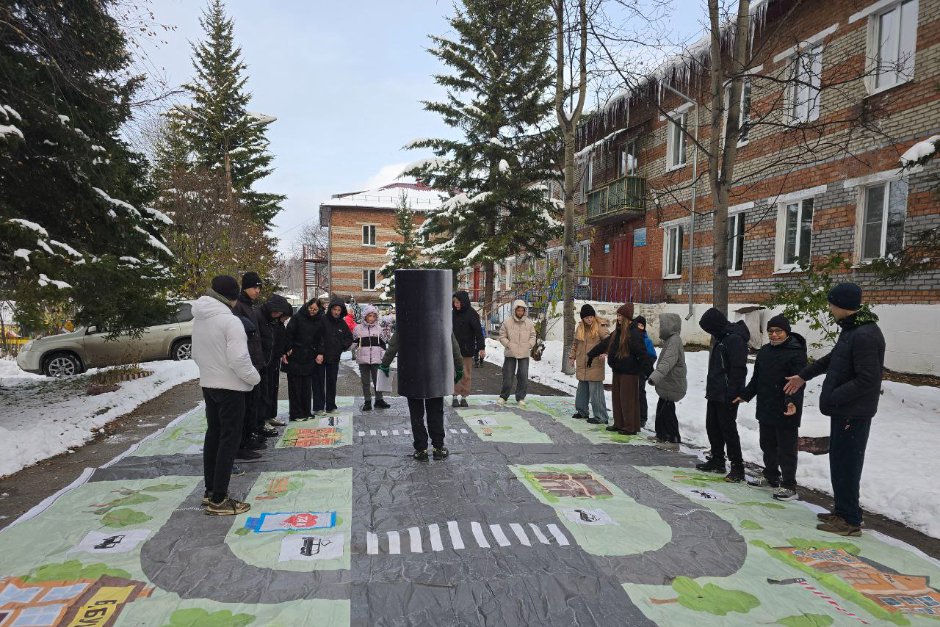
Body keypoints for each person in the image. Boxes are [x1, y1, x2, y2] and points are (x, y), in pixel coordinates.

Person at [784, 283, 885, 537]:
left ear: (842, 305)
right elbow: (833, 359)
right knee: (839, 462)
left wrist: (833, 397)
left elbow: (868, 379)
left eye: (831, 304)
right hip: (844, 411)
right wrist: (803, 376)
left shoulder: (865, 335)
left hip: (853, 412)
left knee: (848, 464)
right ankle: (842, 512)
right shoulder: (852, 330)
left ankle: (850, 521)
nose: (829, 308)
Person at [191, 275, 260, 516]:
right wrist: (254, 378)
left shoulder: (200, 319)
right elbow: (240, 359)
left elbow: (195, 353)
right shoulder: (230, 321)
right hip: (231, 388)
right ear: (232, 296)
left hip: (209, 384)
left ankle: (210, 490)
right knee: (229, 441)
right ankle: (219, 499)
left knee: (214, 436)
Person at [733, 314, 807, 500]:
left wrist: (791, 402)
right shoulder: (765, 351)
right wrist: (745, 395)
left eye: (778, 331)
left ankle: (789, 485)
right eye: (771, 331)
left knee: (786, 449)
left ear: (787, 332)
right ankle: (771, 476)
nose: (774, 335)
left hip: (786, 408)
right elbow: (757, 379)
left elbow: (798, 383)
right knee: (767, 445)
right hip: (766, 406)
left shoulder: (796, 352)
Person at [380, 331, 463, 461]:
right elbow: (454, 347)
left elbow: (393, 346)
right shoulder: (440, 321)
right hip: (435, 373)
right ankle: (438, 448)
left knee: (416, 414)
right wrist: (459, 367)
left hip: (412, 373)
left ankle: (421, 449)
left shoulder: (406, 322)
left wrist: (385, 364)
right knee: (435, 412)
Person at [696, 307, 751, 482]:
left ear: (716, 324)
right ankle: (717, 459)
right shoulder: (721, 338)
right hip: (715, 392)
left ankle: (737, 467)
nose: (709, 333)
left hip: (727, 393)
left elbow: (738, 369)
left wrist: (733, 393)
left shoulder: (734, 339)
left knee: (728, 430)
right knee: (712, 426)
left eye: (709, 328)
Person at [586, 303, 651, 435]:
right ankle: (619, 424)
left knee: (627, 401)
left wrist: (650, 372)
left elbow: (642, 353)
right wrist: (591, 354)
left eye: (621, 316)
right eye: (618, 315)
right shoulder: (618, 332)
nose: (618, 318)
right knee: (617, 400)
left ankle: (630, 427)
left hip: (629, 373)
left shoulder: (634, 333)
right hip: (618, 371)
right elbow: (604, 344)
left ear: (627, 317)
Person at [232, 272, 275, 460]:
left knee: (254, 403)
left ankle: (250, 436)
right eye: (254, 287)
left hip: (256, 362)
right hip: (247, 363)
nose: (257, 291)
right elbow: (243, 339)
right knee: (245, 406)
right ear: (245, 287)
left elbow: (256, 338)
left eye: (259, 287)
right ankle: (242, 442)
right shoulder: (238, 307)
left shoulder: (249, 306)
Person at [648, 313, 687, 445]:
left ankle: (673, 440)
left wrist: (655, 377)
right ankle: (661, 435)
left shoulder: (674, 341)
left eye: (662, 325)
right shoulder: (670, 340)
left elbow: (667, 362)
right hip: (667, 383)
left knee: (668, 412)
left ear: (669, 325)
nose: (660, 328)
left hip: (673, 384)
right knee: (661, 409)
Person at [568, 304, 610, 424]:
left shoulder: (600, 326)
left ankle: (601, 417)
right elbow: (575, 344)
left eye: (591, 317)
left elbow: (609, 341)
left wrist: (605, 353)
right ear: (583, 318)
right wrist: (572, 357)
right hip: (582, 363)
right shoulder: (580, 328)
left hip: (595, 363)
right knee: (582, 390)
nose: (590, 319)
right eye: (587, 318)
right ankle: (582, 412)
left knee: (596, 392)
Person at [283, 298, 322, 421]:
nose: (312, 311)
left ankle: (306, 411)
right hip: (295, 356)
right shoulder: (297, 317)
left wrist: (319, 352)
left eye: (315, 309)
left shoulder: (319, 320)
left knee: (306, 387)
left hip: (309, 356)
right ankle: (295, 413)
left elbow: (320, 338)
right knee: (295, 387)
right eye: (311, 308)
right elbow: (288, 333)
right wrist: (288, 347)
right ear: (307, 306)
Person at [315, 300, 354, 413]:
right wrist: (319, 352)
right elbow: (318, 337)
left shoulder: (342, 323)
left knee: (332, 382)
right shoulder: (322, 320)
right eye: (334, 309)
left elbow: (349, 337)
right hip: (321, 357)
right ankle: (318, 407)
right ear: (330, 309)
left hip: (334, 357)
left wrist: (342, 346)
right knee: (318, 382)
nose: (336, 312)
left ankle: (331, 406)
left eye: (339, 310)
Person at [260, 294, 293, 427]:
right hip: (267, 361)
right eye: (284, 316)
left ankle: (271, 415)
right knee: (266, 391)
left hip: (275, 361)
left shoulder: (279, 325)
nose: (285, 319)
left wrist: (285, 351)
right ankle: (264, 418)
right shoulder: (271, 323)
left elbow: (282, 341)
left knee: (273, 389)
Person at [497, 300, 536, 407]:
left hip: (524, 353)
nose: (520, 312)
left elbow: (533, 336)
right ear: (515, 310)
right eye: (518, 310)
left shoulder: (529, 323)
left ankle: (520, 397)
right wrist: (508, 344)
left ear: (525, 311)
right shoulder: (507, 322)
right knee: (508, 376)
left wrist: (529, 345)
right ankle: (503, 396)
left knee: (523, 375)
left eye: (522, 310)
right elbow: (502, 336)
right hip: (510, 352)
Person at [451, 290, 486, 407]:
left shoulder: (472, 314)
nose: (456, 304)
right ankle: (454, 395)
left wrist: (481, 348)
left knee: (466, 374)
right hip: (454, 349)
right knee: (455, 373)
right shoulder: (452, 314)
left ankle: (464, 396)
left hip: (467, 349)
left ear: (463, 302)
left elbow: (478, 332)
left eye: (457, 302)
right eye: (454, 302)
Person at [353, 305, 391, 411]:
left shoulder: (379, 329)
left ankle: (379, 400)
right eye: (370, 316)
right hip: (363, 359)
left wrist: (383, 356)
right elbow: (354, 343)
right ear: (365, 316)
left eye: (374, 316)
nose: (372, 318)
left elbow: (382, 344)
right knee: (365, 382)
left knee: (377, 380)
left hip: (376, 359)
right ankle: (367, 401)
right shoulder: (358, 329)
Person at [633, 315, 657, 428]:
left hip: (641, 371)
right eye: (637, 325)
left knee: (640, 393)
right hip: (630, 371)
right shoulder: (630, 338)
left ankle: (642, 417)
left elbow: (652, 356)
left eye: (642, 325)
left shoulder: (647, 341)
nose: (639, 327)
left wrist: (645, 369)